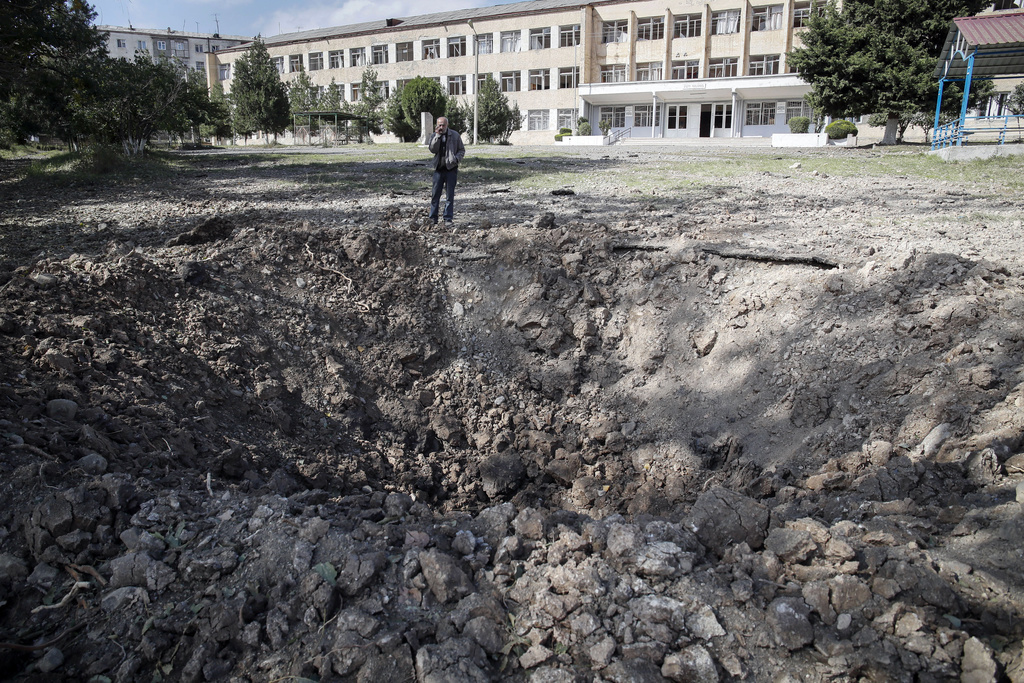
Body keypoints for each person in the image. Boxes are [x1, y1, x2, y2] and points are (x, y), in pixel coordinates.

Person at [427, 116, 465, 226]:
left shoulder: (455, 135)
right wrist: (437, 136)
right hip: (438, 169)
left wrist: (456, 159)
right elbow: (432, 149)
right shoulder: (434, 135)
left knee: (449, 195)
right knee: (435, 195)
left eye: (443, 125)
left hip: (451, 169)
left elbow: (461, 150)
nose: (441, 127)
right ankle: (433, 218)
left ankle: (447, 218)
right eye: (439, 125)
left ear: (447, 125)